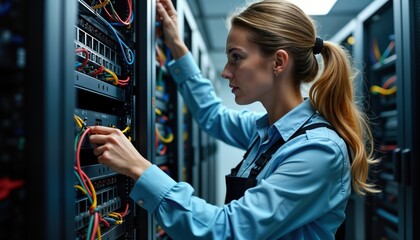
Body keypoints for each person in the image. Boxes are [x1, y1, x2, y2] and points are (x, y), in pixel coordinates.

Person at [89, 0, 379, 239]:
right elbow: (213, 116)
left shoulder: (318, 151)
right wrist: (177, 46)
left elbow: (226, 230)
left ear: (278, 62)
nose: (226, 72)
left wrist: (140, 168)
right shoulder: (269, 133)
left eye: (236, 58)